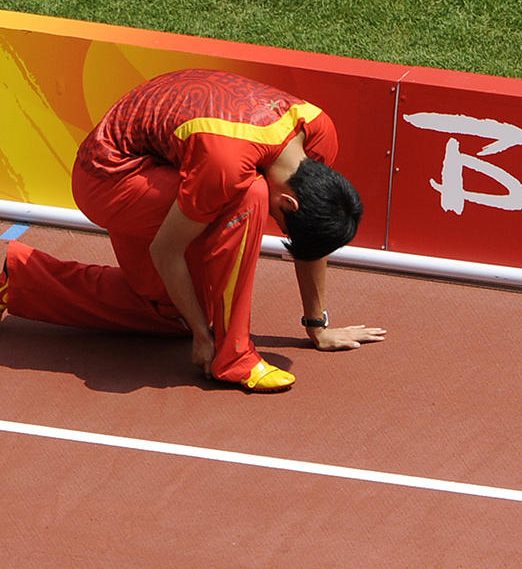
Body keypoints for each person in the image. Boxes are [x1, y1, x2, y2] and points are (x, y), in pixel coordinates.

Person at [0, 69, 385, 392]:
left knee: (169, 312)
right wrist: (204, 336)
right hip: (109, 176)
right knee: (250, 196)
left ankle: (18, 279)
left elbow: (312, 239)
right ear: (289, 203)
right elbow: (165, 250)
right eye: (284, 228)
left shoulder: (318, 137)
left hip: (164, 161)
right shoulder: (228, 167)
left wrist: (317, 325)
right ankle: (233, 357)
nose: (282, 231)